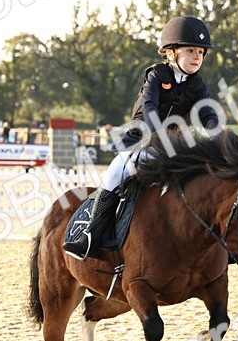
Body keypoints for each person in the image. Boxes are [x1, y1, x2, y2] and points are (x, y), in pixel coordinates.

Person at [64, 16, 220, 260]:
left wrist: (219, 134)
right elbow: (148, 108)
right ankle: (90, 235)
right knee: (115, 173)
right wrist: (159, 134)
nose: (197, 56)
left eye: (200, 52)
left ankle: (219, 243)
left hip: (178, 145)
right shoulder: (156, 76)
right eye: (190, 50)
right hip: (144, 139)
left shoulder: (197, 84)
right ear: (170, 53)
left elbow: (207, 112)